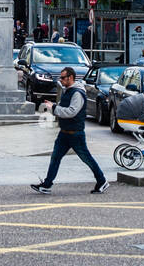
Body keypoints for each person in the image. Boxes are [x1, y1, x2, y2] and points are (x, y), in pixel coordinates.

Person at [31, 66, 108, 194]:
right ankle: (47, 184)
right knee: (55, 158)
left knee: (86, 158)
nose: (60, 80)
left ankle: (102, 180)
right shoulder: (68, 90)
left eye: (63, 78)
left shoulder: (77, 93)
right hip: (64, 133)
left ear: (70, 77)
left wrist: (54, 109)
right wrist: (52, 106)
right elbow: (62, 107)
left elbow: (72, 112)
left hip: (75, 133)